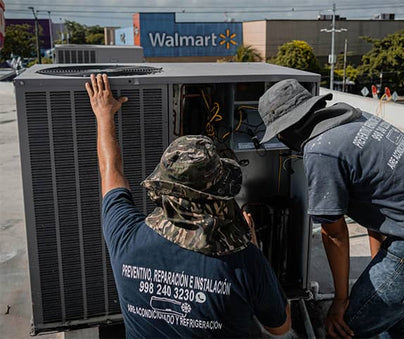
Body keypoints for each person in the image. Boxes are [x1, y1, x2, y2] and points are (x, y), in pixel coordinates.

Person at [258, 79, 404, 339]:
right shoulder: (359, 120)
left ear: (286, 131)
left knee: (343, 329)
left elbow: (335, 234)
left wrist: (340, 301)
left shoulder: (321, 151)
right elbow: (379, 203)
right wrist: (378, 269)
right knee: (386, 319)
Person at [85, 73, 291, 338]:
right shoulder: (244, 261)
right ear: (219, 195)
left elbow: (110, 170)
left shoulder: (125, 236)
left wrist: (104, 115)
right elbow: (280, 327)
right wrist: (251, 246)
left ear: (164, 186)